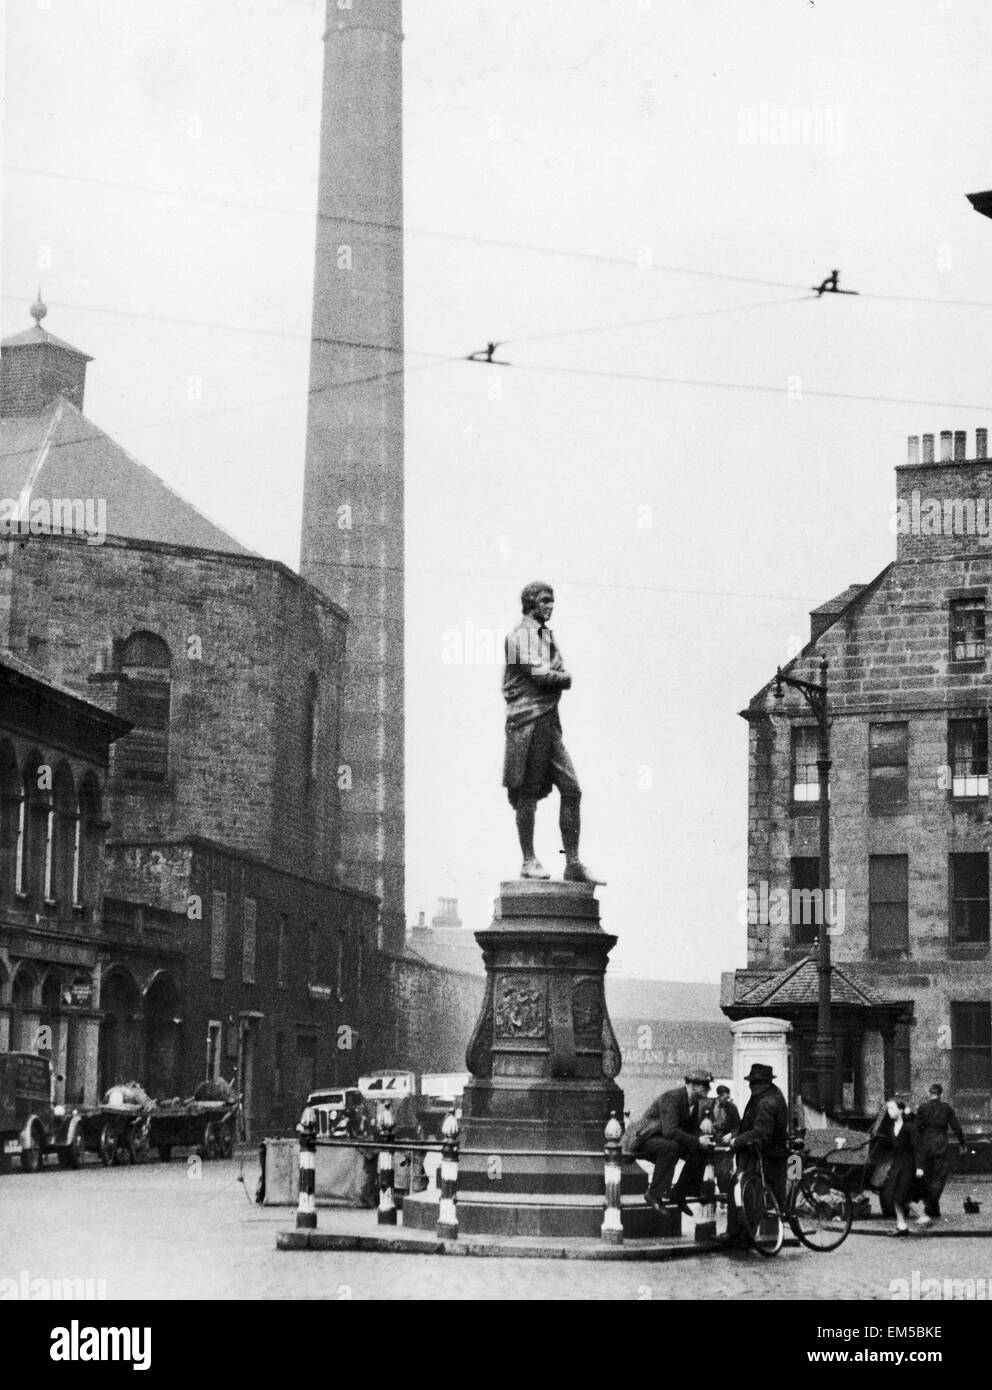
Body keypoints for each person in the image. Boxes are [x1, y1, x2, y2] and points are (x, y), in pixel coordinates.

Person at [502, 582, 599, 882]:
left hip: (549, 720)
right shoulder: (517, 637)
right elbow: (542, 675)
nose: (551, 606)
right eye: (545, 601)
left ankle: (573, 862)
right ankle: (528, 860)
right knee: (527, 793)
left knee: (572, 789)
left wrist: (556, 675)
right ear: (530, 604)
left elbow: (551, 670)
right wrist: (564, 678)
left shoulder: (546, 636)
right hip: (528, 721)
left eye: (552, 601)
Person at [632, 1069, 715, 1216]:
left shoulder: (694, 1103)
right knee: (671, 1147)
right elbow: (669, 1131)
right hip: (648, 1138)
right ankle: (653, 1194)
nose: (708, 1089)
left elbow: (692, 1129)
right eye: (705, 1085)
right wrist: (697, 1140)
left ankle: (679, 1193)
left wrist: (703, 1138)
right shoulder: (671, 1099)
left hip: (666, 1138)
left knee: (702, 1149)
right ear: (693, 1086)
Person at [726, 1063, 790, 1210]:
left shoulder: (766, 1102)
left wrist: (737, 1141)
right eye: (751, 1082)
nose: (751, 1086)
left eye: (756, 1082)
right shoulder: (765, 1096)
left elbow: (760, 1133)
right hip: (768, 1154)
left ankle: (740, 1232)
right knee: (765, 1196)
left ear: (766, 1083)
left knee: (742, 1191)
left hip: (764, 1155)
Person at [872, 1097, 924, 1237]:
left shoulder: (909, 1127)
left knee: (901, 1196)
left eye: (892, 1109)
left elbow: (918, 1148)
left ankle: (923, 1216)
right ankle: (902, 1226)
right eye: (888, 1109)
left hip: (908, 1165)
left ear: (901, 1110)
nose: (890, 1111)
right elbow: (880, 1133)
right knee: (894, 1195)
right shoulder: (890, 1128)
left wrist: (919, 1167)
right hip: (896, 1165)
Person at [915, 1083, 965, 1224]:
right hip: (940, 1143)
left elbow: (916, 1128)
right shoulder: (946, 1108)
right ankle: (931, 1205)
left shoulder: (922, 1108)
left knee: (929, 1177)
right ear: (940, 1094)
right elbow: (956, 1126)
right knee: (939, 1177)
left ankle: (934, 1209)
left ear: (929, 1093)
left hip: (925, 1143)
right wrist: (962, 1142)